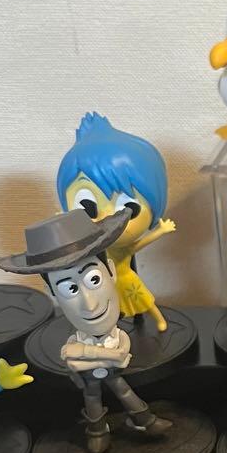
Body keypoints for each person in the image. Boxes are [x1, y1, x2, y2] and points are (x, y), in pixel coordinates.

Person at [0, 209, 171, 453]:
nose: (89, 304)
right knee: (92, 398)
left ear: (110, 270)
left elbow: (119, 349)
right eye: (69, 289)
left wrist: (102, 355)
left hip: (109, 371)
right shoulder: (75, 342)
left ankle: (145, 421)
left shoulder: (111, 335)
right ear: (51, 291)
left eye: (94, 280)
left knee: (123, 390)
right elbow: (73, 359)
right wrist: (105, 357)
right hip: (89, 378)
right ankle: (97, 431)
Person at [56, 113, 176, 332]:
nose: (106, 218)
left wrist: (161, 230)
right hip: (105, 285)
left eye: (128, 208)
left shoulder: (121, 250)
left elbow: (138, 245)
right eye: (88, 207)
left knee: (144, 301)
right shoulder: (95, 250)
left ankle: (160, 321)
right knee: (111, 308)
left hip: (128, 279)